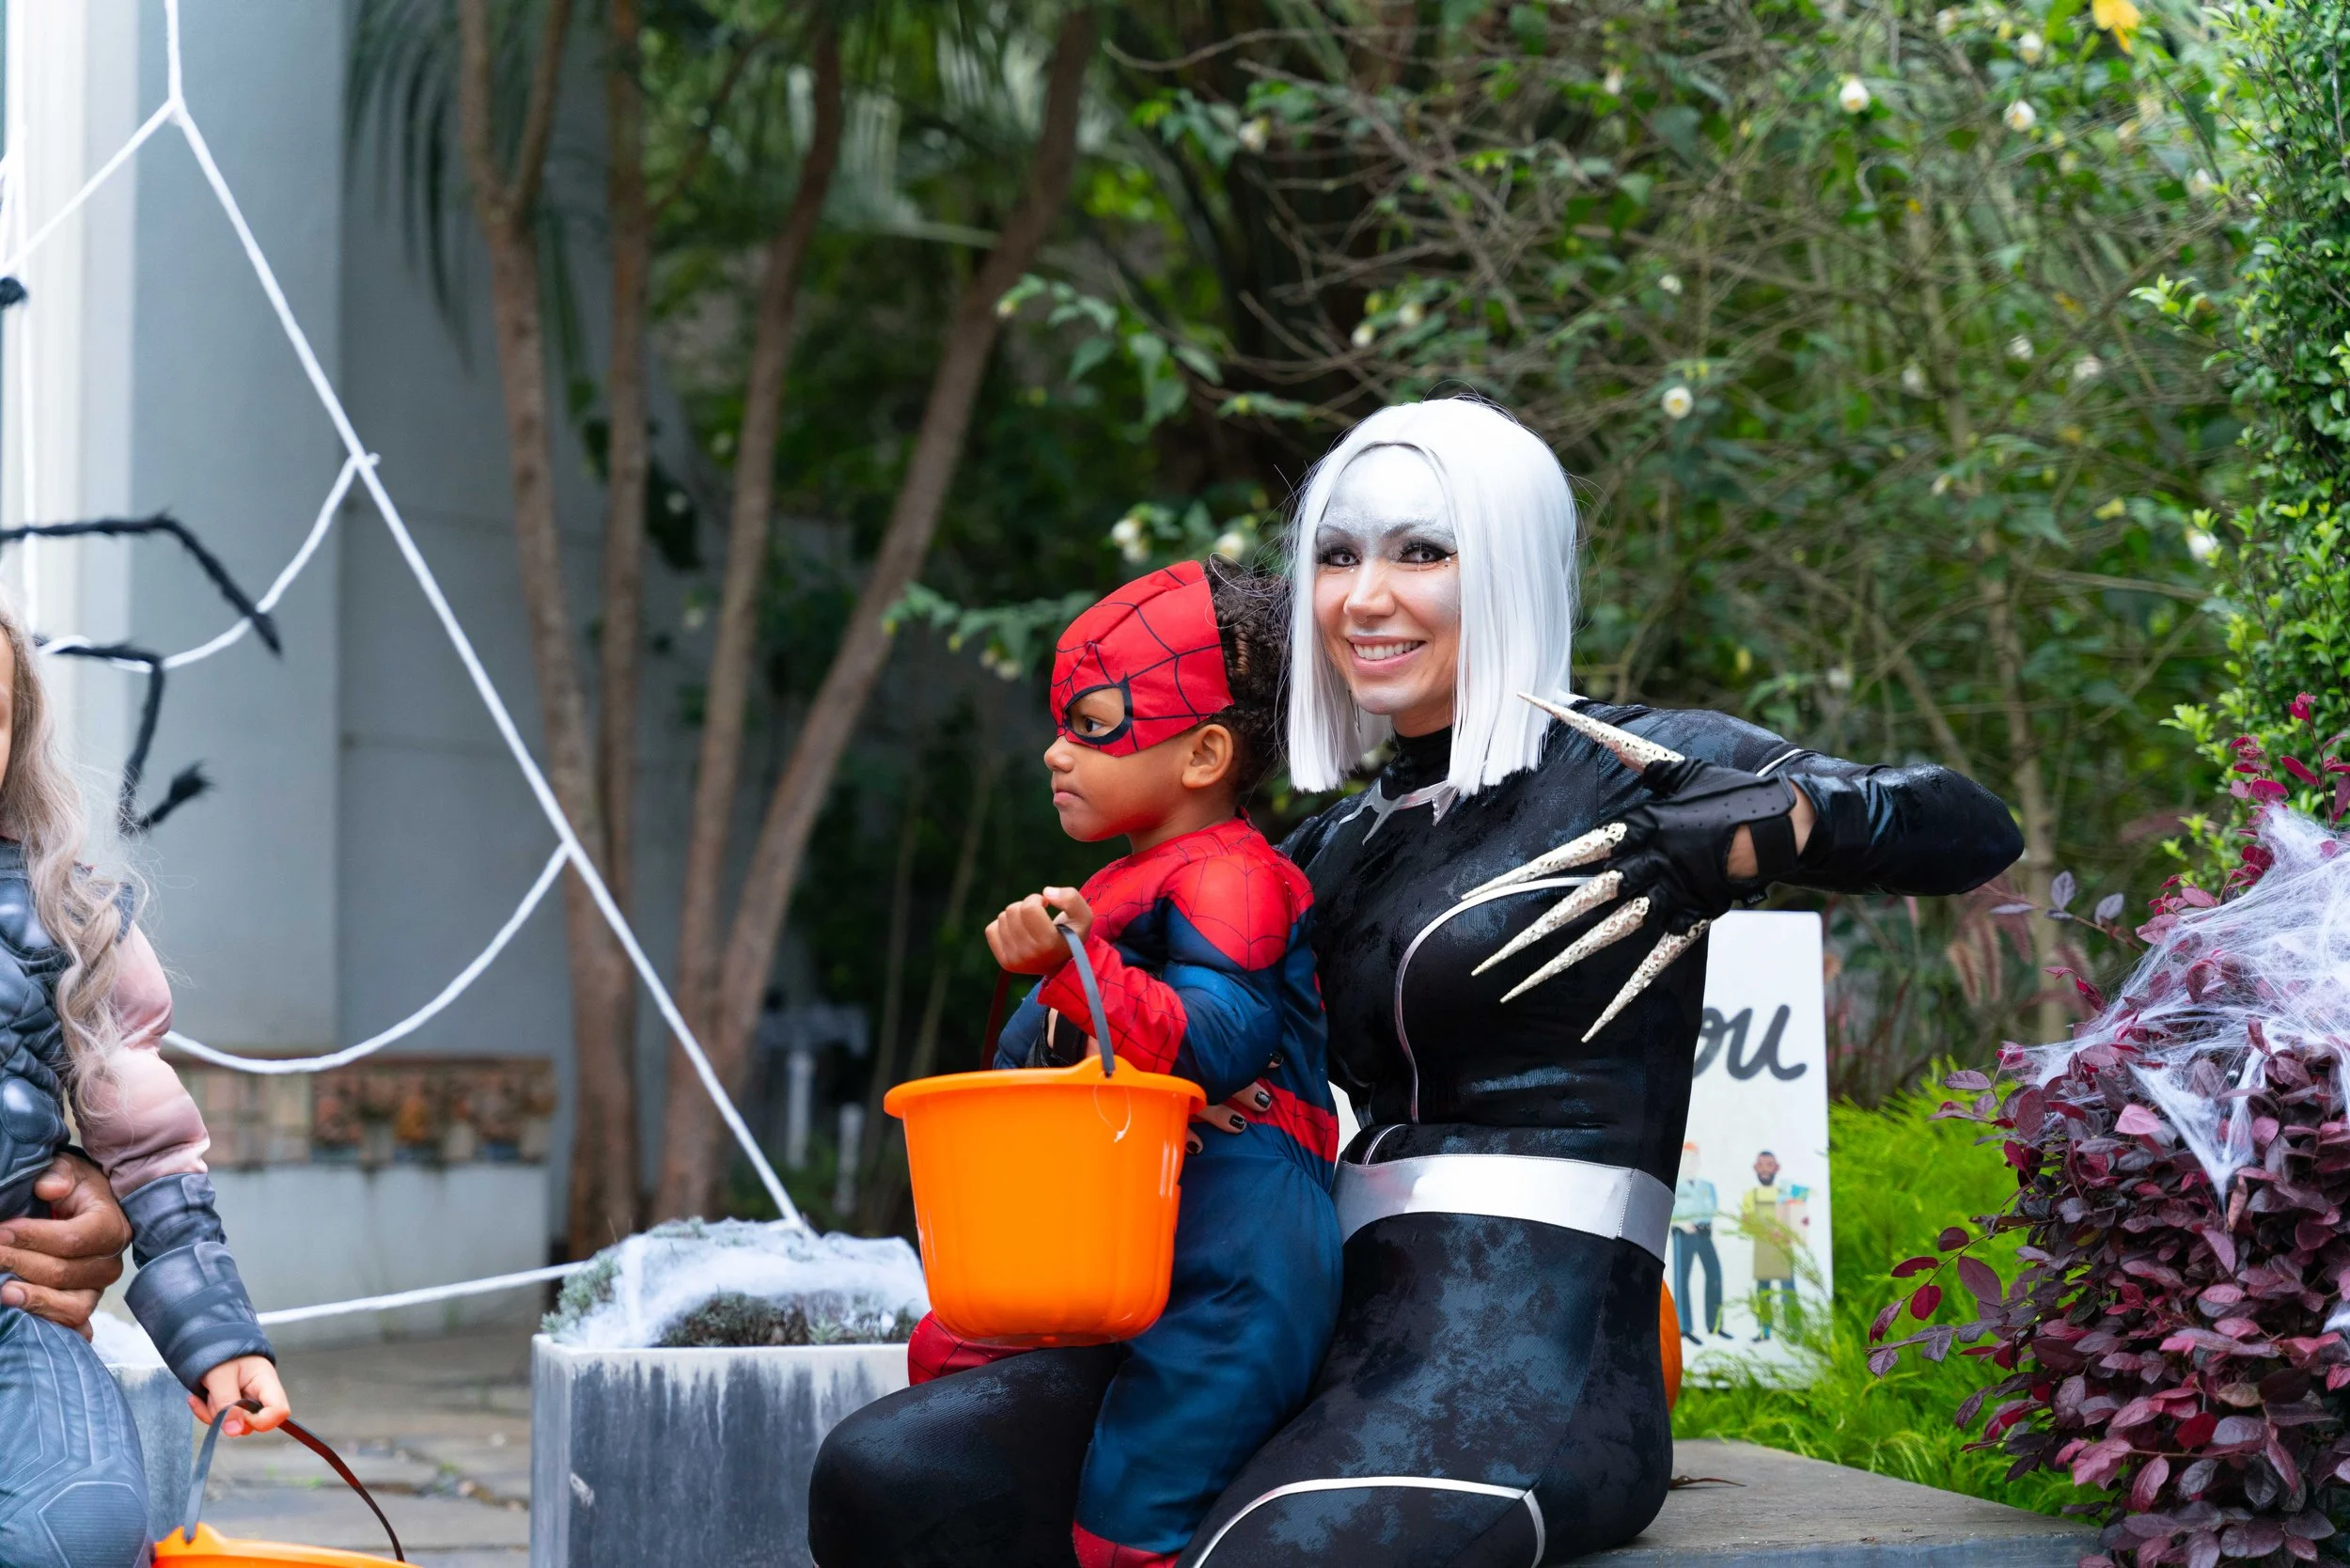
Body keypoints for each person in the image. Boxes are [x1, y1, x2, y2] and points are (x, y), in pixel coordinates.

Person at [807, 398, 2023, 1567]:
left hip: (1536, 1343)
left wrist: (1755, 829)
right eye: (1336, 555)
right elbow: (1148, 1038)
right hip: (1320, 1318)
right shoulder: (1328, 848)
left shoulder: (1628, 773)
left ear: (1507, 564)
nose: (1365, 597)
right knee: (903, 1480)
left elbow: (1967, 828)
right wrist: (1097, 1005)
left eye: (1422, 551)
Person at [814, 559, 1339, 1568]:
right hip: (1118, 1227)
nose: (1056, 753)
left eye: (1093, 725)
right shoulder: (1125, 881)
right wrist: (1060, 982)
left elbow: (1222, 1041)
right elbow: (1040, 1064)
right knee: (953, 1366)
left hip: (1234, 1248)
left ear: (1204, 752)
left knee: (1131, 1519)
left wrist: (1077, 966)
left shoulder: (1234, 876)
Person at [0, 601, 287, 1568]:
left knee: (72, 1528)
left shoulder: (62, 921)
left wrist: (218, 1338)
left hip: (11, 1318)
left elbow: (156, 1156)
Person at [1742, 1151, 1804, 1340]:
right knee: (1763, 1292)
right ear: (1755, 1168)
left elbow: (1799, 1219)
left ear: (1776, 1168)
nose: (1765, 1170)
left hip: (1783, 1249)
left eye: (1769, 1165)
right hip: (1762, 1249)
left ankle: (1793, 1329)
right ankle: (1764, 1330)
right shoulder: (1750, 1196)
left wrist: (1786, 1231)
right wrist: (1765, 1231)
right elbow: (1746, 1223)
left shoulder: (1786, 1192)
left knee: (1788, 1291)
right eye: (1761, 1165)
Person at [1670, 1141, 1721, 1343]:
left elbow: (1712, 1209)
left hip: (1704, 1233)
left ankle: (1714, 1323)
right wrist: (1681, 1224)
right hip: (1683, 1234)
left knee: (1715, 1274)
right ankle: (1684, 1327)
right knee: (1682, 1279)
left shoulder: (1707, 1187)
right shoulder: (1674, 1186)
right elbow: (1668, 1212)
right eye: (1686, 1158)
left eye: (1694, 1158)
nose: (1690, 1163)